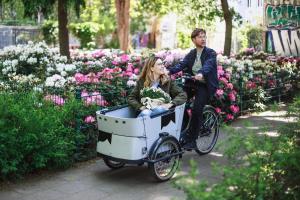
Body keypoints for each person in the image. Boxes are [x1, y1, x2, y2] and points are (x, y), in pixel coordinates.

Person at [167, 28, 218, 149]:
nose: (203, 39)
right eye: (200, 37)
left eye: (204, 36)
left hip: (205, 85)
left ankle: (192, 140)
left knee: (197, 109)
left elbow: (208, 65)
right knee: (178, 102)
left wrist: (201, 73)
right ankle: (185, 126)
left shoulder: (211, 53)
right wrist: (168, 71)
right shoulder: (191, 54)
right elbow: (181, 64)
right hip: (192, 83)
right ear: (194, 40)